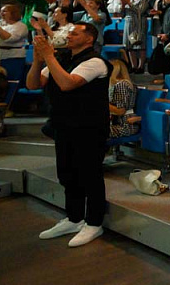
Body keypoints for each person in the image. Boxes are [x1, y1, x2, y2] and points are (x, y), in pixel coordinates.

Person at [28, 24, 110, 247]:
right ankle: (74, 218)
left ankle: (94, 223)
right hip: (63, 125)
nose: (69, 35)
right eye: (69, 32)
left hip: (89, 127)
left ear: (89, 39)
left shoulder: (95, 62)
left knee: (89, 175)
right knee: (67, 173)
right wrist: (38, 60)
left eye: (75, 33)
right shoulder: (61, 58)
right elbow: (33, 84)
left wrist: (48, 56)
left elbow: (67, 84)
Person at [120, 0, 149, 72]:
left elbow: (140, 11)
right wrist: (123, 5)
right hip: (129, 23)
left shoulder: (144, 0)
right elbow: (122, 14)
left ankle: (141, 66)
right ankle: (133, 66)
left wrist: (129, 3)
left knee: (140, 45)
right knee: (130, 46)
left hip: (140, 24)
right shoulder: (128, 0)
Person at [108, 59, 139, 138]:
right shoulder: (117, 85)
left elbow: (120, 111)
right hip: (116, 123)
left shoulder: (122, 85)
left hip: (125, 125)